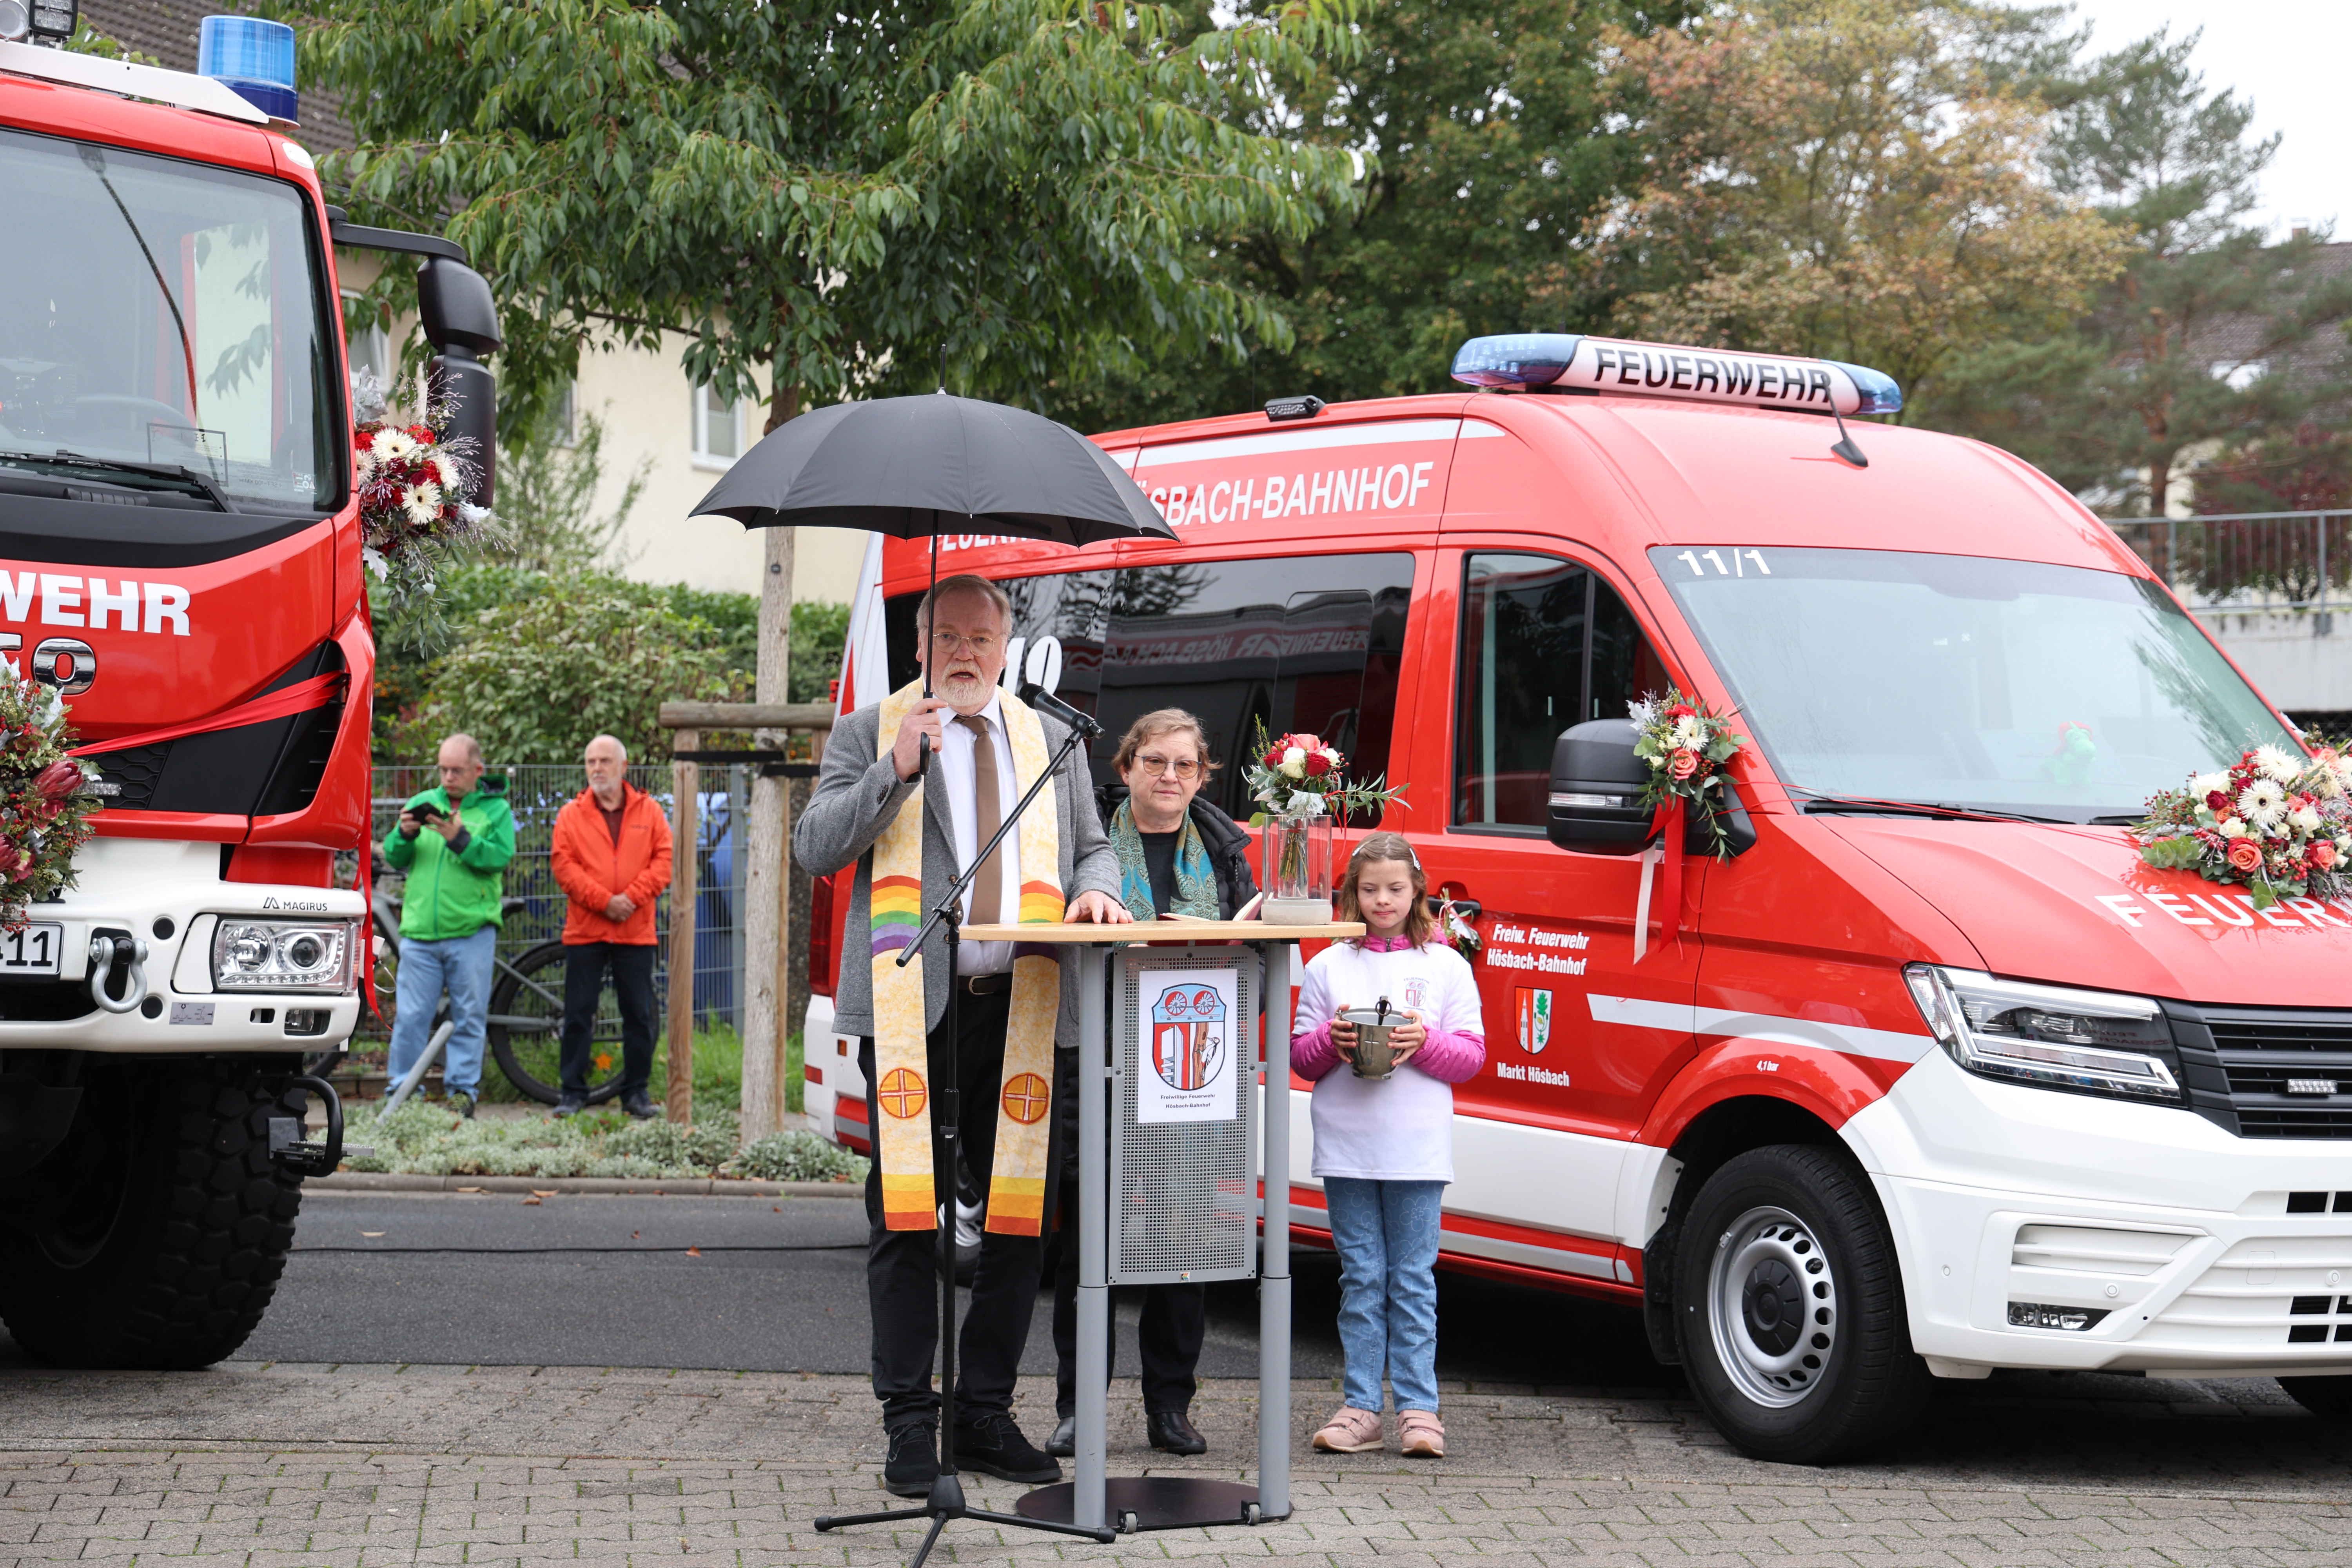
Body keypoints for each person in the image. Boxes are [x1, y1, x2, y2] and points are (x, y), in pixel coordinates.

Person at [795, 572, 1132, 1499]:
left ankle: (982, 1409)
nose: (966, 654)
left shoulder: (1050, 735)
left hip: (1022, 1000)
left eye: (982, 638)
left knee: (1023, 1220)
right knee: (908, 1216)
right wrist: (895, 768)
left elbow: (1093, 843)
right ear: (920, 645)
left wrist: (1097, 886)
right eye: (948, 636)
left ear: (1007, 643)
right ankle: (910, 1420)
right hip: (916, 1005)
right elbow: (816, 848)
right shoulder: (874, 728)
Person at [1046, 708, 1256, 1459]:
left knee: (1182, 1243)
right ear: (1124, 767)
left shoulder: (1228, 851)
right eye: (1156, 762)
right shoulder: (1089, 846)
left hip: (1191, 1070)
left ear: (1204, 776)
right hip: (1103, 1062)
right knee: (1090, 1249)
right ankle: (1079, 1407)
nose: (1171, 778)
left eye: (1186, 766)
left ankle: (1171, 1406)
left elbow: (1251, 952)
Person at [1291, 832, 1485, 1459]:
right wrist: (1332, 1038)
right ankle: (1360, 1408)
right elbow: (1300, 1059)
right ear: (1352, 892)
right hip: (1347, 1147)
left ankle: (1419, 1409)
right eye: (1369, 889)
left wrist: (1422, 1042)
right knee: (1362, 1276)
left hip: (1417, 1150)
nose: (1382, 900)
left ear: (1417, 892)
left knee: (1412, 1278)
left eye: (1395, 889)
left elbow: (1471, 1058)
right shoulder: (1327, 966)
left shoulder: (1447, 966)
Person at [382, 734, 517, 1120]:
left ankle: (462, 1094)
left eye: (457, 770)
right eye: (443, 769)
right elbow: (395, 855)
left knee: (469, 1016)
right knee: (410, 1016)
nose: (448, 777)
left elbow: (499, 857)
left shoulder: (496, 811)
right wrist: (405, 834)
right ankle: (403, 1091)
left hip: (472, 932)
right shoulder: (422, 804)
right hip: (421, 932)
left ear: (478, 770)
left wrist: (459, 838)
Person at [548, 733, 673, 1120]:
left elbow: (663, 861)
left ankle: (635, 1093)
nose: (596, 768)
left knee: (638, 1015)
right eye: (590, 762)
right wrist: (606, 902)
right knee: (577, 1014)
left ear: (624, 766)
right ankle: (572, 1093)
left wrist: (631, 899)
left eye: (604, 761)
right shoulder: (571, 814)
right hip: (587, 930)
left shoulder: (650, 812)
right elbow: (563, 866)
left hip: (635, 932)